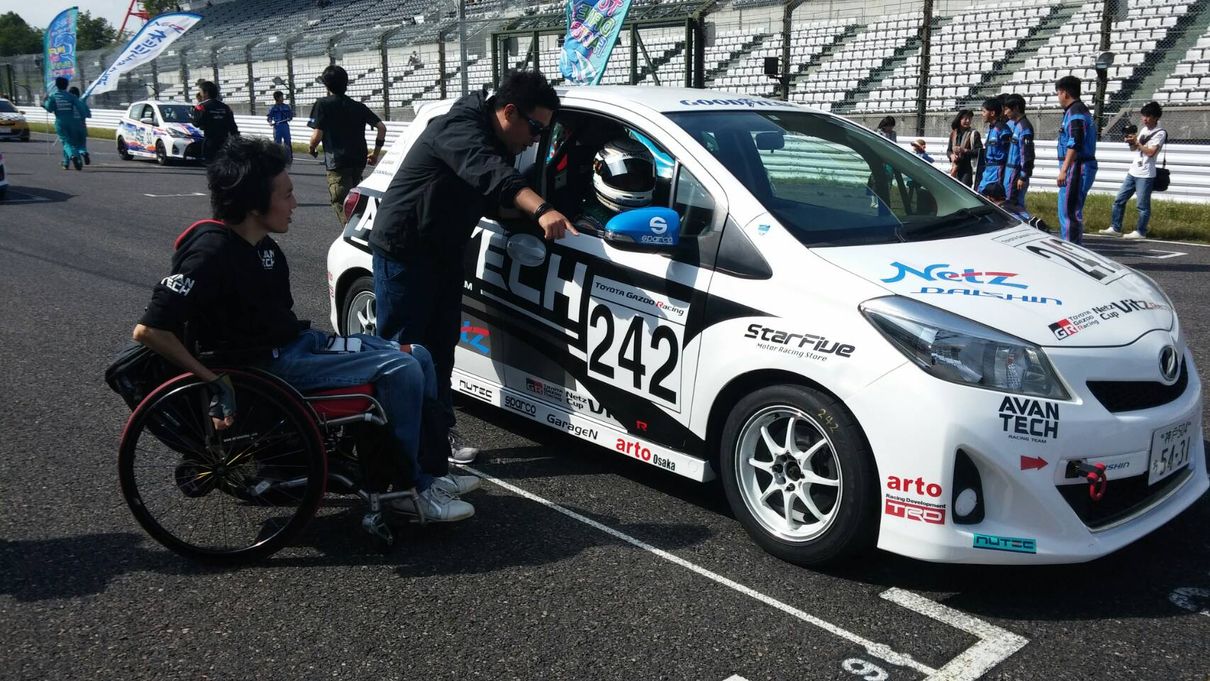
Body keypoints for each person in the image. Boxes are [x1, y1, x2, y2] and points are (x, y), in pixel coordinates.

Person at [130, 137, 478, 522]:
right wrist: (213, 381)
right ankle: (405, 491)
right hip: (268, 366)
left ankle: (430, 475)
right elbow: (149, 331)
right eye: (286, 195)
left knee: (419, 354)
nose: (295, 203)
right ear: (254, 203)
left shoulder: (263, 247)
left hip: (297, 345)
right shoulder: (209, 253)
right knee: (401, 368)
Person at [370, 70, 576, 464]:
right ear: (509, 112)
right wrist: (542, 209)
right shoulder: (459, 127)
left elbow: (494, 197)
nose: (536, 139)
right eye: (535, 128)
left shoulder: (502, 139)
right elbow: (491, 174)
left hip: (445, 252)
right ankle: (395, 454)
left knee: (440, 350)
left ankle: (435, 441)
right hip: (405, 250)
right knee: (403, 353)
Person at [307, 65, 388, 225]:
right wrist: (375, 153)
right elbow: (382, 128)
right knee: (357, 205)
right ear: (346, 83)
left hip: (337, 163)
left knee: (343, 206)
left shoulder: (322, 104)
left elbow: (316, 136)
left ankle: (353, 236)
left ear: (326, 85)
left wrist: (312, 148)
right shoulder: (358, 106)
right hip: (358, 162)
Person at [1102, 101, 1165, 240]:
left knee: (1142, 206)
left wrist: (1137, 142)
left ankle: (1141, 231)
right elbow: (1135, 149)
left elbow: (1151, 152)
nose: (1145, 119)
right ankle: (1115, 227)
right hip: (1133, 170)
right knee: (1119, 200)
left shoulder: (1160, 133)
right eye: (1143, 116)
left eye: (1148, 116)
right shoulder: (1143, 130)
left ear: (1156, 117)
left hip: (1146, 174)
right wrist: (1131, 142)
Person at [1055, 75, 1097, 244]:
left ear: (1064, 93)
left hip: (1077, 167)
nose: (1058, 97)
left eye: (1058, 93)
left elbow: (1075, 142)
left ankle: (1071, 249)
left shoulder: (1076, 113)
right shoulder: (1075, 111)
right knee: (1068, 210)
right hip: (1077, 165)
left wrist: (1064, 170)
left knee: (1069, 212)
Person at [42, 77, 89, 170]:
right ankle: (78, 160)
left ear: (56, 85)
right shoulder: (71, 96)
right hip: (72, 122)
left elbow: (50, 108)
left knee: (66, 142)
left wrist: (45, 102)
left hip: (60, 122)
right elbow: (80, 107)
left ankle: (72, 156)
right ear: (67, 85)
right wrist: (83, 116)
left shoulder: (53, 96)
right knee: (73, 142)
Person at [191, 80, 239, 163]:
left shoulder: (202, 106)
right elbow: (233, 126)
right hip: (224, 141)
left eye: (200, 92)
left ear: (206, 93)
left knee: (211, 164)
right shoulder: (225, 107)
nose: (199, 94)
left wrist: (192, 116)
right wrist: (236, 139)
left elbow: (197, 123)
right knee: (223, 163)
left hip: (210, 141)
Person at [1003, 93, 1034, 209]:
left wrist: (1023, 176)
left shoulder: (1024, 127)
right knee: (1009, 203)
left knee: (1013, 206)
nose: (1005, 113)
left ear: (1015, 108)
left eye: (1007, 109)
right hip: (1011, 171)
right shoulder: (1016, 125)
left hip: (1017, 173)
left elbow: (1027, 154)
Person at [977, 96, 1010, 194]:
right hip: (988, 169)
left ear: (992, 113)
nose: (982, 114)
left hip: (998, 169)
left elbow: (1009, 151)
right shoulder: (991, 128)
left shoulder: (1002, 129)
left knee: (993, 196)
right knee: (980, 192)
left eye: (984, 111)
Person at [946, 109, 981, 187]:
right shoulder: (953, 133)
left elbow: (979, 151)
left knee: (963, 188)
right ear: (959, 119)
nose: (968, 121)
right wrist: (951, 156)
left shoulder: (974, 134)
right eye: (965, 119)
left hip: (967, 168)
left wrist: (964, 150)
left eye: (969, 119)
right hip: (955, 167)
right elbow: (948, 151)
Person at [266, 90, 294, 164]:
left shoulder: (286, 106)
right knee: (277, 143)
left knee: (287, 141)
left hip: (285, 125)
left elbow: (291, 116)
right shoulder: (272, 107)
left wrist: (290, 117)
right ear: (277, 98)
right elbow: (269, 117)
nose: (283, 98)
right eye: (281, 97)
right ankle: (277, 158)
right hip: (277, 127)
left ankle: (289, 157)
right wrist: (270, 122)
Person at [67, 86, 92, 165]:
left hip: (72, 127)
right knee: (82, 145)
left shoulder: (69, 104)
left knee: (73, 145)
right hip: (82, 127)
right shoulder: (82, 103)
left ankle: (78, 160)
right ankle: (84, 152)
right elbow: (89, 115)